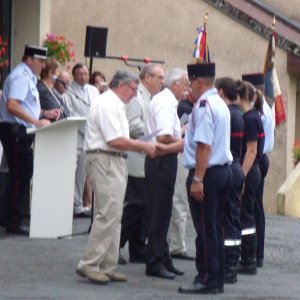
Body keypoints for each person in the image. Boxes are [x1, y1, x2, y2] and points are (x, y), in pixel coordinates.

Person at [76, 69, 156, 285]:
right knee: (107, 214)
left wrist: (138, 146)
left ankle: (106, 264)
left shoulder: (114, 104)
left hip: (113, 159)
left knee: (114, 214)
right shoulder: (107, 104)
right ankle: (90, 263)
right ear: (122, 85)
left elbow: (119, 140)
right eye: (133, 89)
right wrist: (142, 145)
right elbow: (114, 140)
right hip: (106, 158)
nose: (135, 94)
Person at [178, 63, 232, 295]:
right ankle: (216, 279)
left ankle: (207, 278)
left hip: (207, 173)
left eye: (191, 83)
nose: (190, 88)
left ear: (199, 81)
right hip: (222, 171)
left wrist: (198, 179)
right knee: (215, 228)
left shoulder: (203, 105)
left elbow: (203, 146)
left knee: (205, 228)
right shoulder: (219, 102)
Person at [0, 45, 60, 235]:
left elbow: (24, 105)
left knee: (21, 174)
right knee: (20, 175)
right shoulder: (21, 76)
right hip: (16, 131)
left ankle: (8, 215)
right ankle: (11, 220)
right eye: (41, 61)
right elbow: (12, 105)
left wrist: (43, 113)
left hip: (19, 130)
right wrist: (36, 121)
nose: (43, 65)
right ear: (29, 59)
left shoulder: (26, 76)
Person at [145, 68, 189, 280]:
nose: (187, 89)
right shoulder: (165, 102)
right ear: (175, 85)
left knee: (164, 210)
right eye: (185, 84)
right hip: (161, 159)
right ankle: (154, 261)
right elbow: (163, 137)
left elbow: (168, 132)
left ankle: (163, 257)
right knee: (160, 212)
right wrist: (183, 143)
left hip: (164, 159)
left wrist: (181, 132)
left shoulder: (168, 101)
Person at [119, 64, 164, 265]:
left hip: (145, 157)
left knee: (145, 207)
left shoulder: (151, 98)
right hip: (136, 158)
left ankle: (137, 247)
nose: (162, 82)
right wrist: (155, 129)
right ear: (147, 77)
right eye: (159, 77)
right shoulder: (137, 97)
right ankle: (116, 244)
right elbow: (131, 124)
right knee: (136, 204)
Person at [242, 73, 274, 268]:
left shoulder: (257, 112)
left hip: (257, 158)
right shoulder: (263, 108)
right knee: (255, 208)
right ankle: (257, 252)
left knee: (252, 209)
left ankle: (254, 253)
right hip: (261, 157)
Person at [215, 77, 245, 284]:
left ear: (223, 92)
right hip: (235, 167)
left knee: (229, 220)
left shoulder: (230, 114)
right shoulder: (238, 114)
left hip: (230, 167)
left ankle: (229, 266)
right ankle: (231, 264)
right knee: (232, 219)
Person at [235, 80, 265, 275]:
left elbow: (251, 151)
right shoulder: (250, 116)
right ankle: (247, 257)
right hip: (251, 170)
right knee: (245, 215)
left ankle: (248, 259)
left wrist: (242, 177)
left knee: (246, 217)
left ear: (240, 96)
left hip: (250, 170)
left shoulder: (250, 118)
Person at [65, 63, 99, 218]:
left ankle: (78, 204)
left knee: (83, 173)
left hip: (91, 135)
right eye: (80, 74)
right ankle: (67, 204)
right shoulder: (69, 90)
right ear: (74, 75)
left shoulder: (93, 90)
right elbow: (69, 112)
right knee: (70, 170)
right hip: (76, 134)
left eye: (86, 74)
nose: (83, 77)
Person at [168, 90, 196, 261]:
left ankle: (175, 243)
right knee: (179, 202)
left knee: (180, 203)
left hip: (184, 155)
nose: (187, 89)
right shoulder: (184, 108)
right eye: (186, 85)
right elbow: (179, 131)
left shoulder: (188, 106)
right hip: (180, 154)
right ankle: (176, 245)